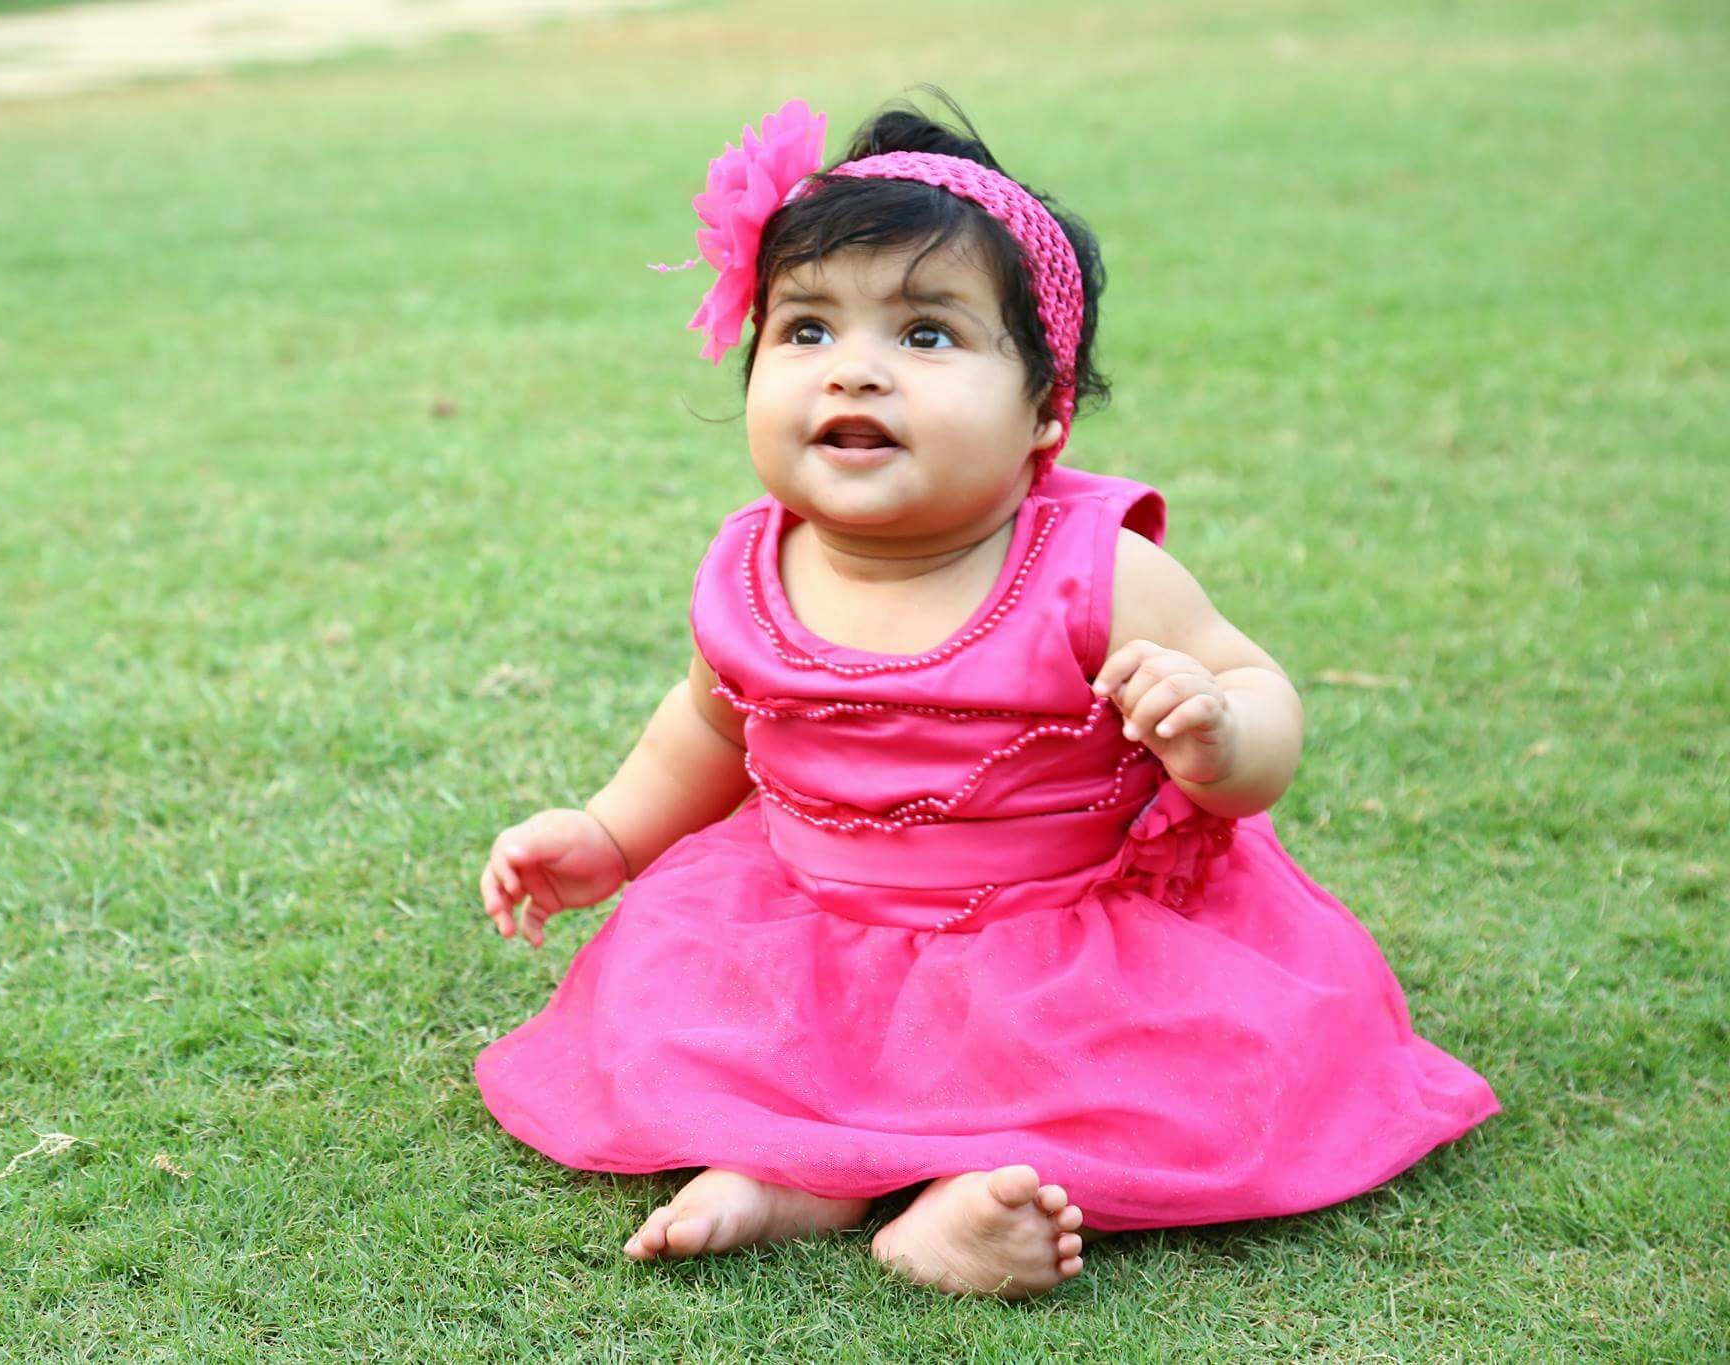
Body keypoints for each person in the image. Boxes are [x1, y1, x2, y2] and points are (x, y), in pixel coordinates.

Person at [470, 91, 1500, 1299]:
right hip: (810, 926)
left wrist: (1217, 737)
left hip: (1054, 943)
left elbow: (1253, 688)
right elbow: (706, 725)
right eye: (805, 329)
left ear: (1044, 413)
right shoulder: (751, 566)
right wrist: (608, 834)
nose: (854, 368)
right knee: (682, 1019)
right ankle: (797, 1176)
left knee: (1148, 1077)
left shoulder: (1091, 570)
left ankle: (966, 1203)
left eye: (924, 334)